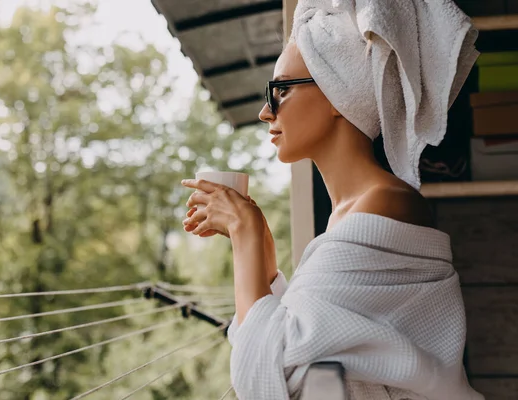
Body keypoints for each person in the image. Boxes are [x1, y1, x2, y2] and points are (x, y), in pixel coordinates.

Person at [181, 1, 484, 399]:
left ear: (336, 89)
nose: (264, 112)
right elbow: (309, 354)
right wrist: (268, 264)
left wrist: (246, 233)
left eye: (281, 90)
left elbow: (269, 376)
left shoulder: (386, 204)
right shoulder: (349, 218)